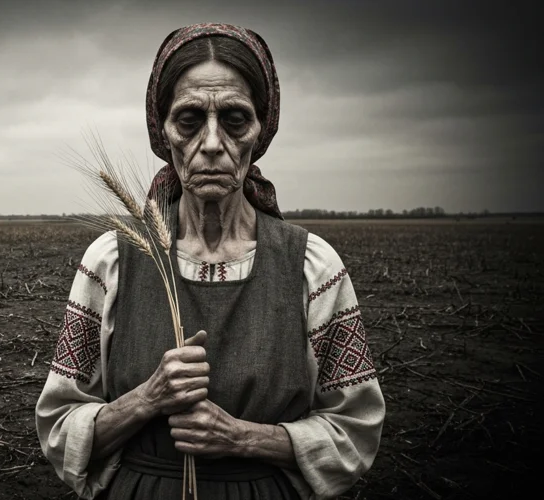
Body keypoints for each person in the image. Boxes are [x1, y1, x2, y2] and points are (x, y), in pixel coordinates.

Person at [36, 23, 385, 500]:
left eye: (236, 119)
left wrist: (243, 438)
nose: (214, 142)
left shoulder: (313, 268)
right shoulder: (111, 261)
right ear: (162, 132)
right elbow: (58, 424)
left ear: (262, 130)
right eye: (190, 120)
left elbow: (356, 430)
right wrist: (148, 398)